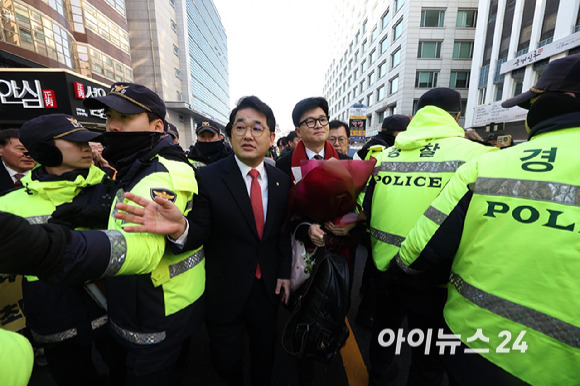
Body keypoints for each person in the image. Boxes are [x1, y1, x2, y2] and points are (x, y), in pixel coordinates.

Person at [393, 54, 580, 386]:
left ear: (559, 103)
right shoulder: (481, 156)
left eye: (532, 103)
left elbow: (418, 252)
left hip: (472, 346)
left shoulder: (490, 164)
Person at [113, 95, 292, 386]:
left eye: (257, 128)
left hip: (267, 286)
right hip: (224, 290)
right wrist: (180, 226)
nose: (248, 135)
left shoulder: (280, 180)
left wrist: (283, 272)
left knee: (265, 354)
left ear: (272, 137)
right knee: (226, 362)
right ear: (230, 133)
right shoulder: (207, 177)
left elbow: (281, 232)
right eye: (240, 127)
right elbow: (200, 230)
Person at [362, 87, 497, 385]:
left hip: (384, 266)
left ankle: (380, 379)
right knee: (426, 359)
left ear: (416, 116)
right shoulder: (480, 156)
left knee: (384, 337)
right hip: (436, 278)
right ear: (457, 116)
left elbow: (367, 205)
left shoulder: (386, 155)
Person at [82, 82, 205, 385]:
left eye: (124, 118)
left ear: (157, 126)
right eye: (109, 117)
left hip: (159, 308)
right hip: (141, 305)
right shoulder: (134, 166)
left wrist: (68, 249)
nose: (112, 126)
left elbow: (144, 247)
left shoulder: (163, 173)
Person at [0, 114, 123, 386]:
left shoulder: (114, 189)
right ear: (44, 148)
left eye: (87, 141)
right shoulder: (9, 204)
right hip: (53, 315)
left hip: (112, 307)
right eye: (74, 141)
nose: (86, 148)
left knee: (125, 373)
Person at [0, 129, 36, 193]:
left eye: (33, 149)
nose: (29, 155)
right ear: (1, 150)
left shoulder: (49, 175)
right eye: (21, 149)